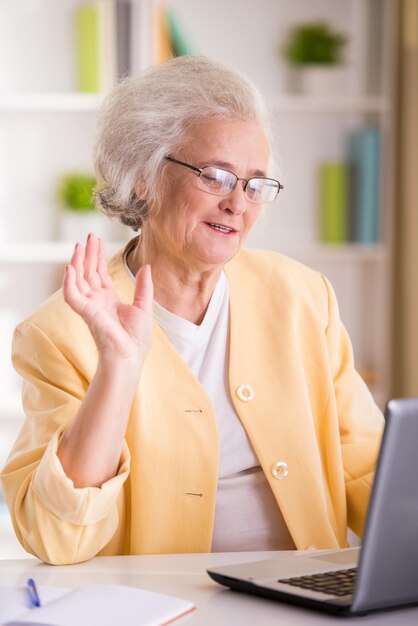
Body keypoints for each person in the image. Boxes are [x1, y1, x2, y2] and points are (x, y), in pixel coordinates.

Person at [1, 56, 383, 565]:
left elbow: (368, 471)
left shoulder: (303, 297)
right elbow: (55, 536)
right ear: (144, 177)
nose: (238, 205)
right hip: (162, 605)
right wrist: (118, 366)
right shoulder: (58, 333)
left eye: (254, 184)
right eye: (218, 176)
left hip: (309, 598)